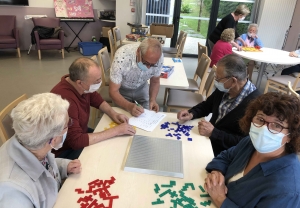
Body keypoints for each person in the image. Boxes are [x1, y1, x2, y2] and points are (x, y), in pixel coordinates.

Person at [204, 92, 300, 207]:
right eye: (260, 119)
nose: (264, 130)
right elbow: (226, 156)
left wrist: (220, 199)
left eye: (277, 125)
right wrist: (217, 172)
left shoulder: (287, 189)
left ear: (291, 135)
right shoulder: (250, 143)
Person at [0, 93, 81, 207]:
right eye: (67, 125)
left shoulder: (33, 141)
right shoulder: (14, 192)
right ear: (53, 140)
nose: (69, 126)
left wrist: (63, 166)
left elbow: (45, 166)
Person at [51, 57, 136, 160]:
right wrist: (116, 131)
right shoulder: (65, 101)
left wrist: (114, 114)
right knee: (107, 154)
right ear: (80, 83)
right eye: (97, 81)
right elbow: (76, 141)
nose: (100, 82)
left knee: (115, 142)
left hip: (80, 132)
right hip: (64, 151)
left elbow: (96, 99)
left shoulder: (81, 86)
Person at [177, 54, 260, 156]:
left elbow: (245, 143)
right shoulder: (225, 88)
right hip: (208, 140)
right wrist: (192, 113)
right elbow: (207, 105)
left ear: (233, 81)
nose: (216, 82)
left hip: (225, 154)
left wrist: (214, 133)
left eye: (218, 79)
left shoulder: (256, 104)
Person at [109, 38, 164, 117]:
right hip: (122, 90)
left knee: (146, 117)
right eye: (145, 63)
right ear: (138, 52)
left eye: (152, 65)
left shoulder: (159, 58)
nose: (148, 67)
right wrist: (129, 106)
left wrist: (153, 100)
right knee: (123, 119)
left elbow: (155, 81)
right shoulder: (121, 57)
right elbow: (113, 91)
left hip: (142, 87)